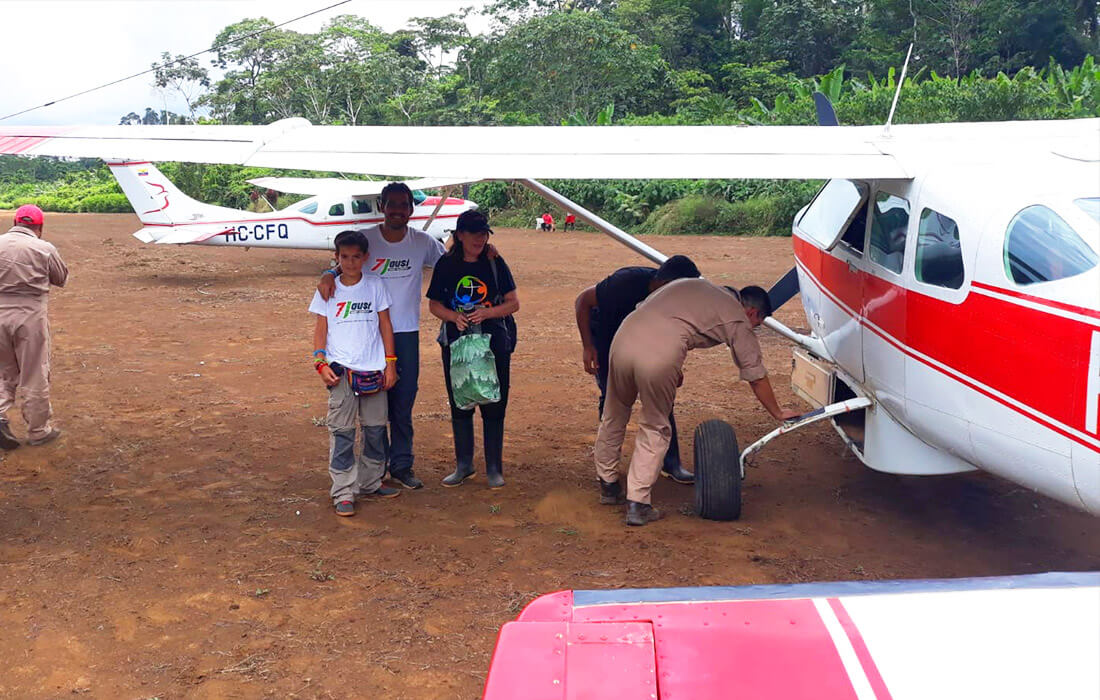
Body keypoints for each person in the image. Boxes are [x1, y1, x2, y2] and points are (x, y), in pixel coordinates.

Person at [594, 280, 801, 526]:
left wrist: (671, 366)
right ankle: (638, 504)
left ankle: (608, 486)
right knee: (655, 425)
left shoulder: (697, 287)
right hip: (660, 353)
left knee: (614, 413)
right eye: (757, 323)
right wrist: (777, 411)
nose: (754, 327)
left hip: (623, 339)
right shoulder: (736, 316)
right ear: (752, 312)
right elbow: (755, 374)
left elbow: (664, 321)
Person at [318, 182, 445, 490]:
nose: (398, 210)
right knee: (374, 402)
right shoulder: (369, 240)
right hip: (367, 334)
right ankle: (375, 469)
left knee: (403, 401)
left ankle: (401, 464)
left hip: (405, 332)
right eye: (392, 204)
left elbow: (450, 263)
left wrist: (487, 252)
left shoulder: (423, 242)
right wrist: (329, 274)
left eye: (404, 205)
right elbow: (347, 262)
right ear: (383, 207)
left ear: (411, 209)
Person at [574, 256, 701, 484]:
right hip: (607, 337)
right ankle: (607, 470)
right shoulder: (625, 282)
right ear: (667, 283)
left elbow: (673, 335)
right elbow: (583, 301)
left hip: (647, 342)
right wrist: (588, 347)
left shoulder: (673, 300)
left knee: (662, 400)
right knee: (612, 398)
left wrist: (673, 367)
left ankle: (671, 464)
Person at [310, 230, 400, 516]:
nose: (350, 262)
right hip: (341, 373)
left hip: (373, 371)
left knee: (375, 431)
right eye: (344, 257)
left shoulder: (375, 286)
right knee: (343, 434)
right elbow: (321, 329)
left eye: (356, 257)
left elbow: (385, 324)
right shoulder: (328, 289)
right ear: (336, 258)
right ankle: (344, 491)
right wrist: (319, 362)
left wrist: (391, 363)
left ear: (365, 258)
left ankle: (371, 481)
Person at [427, 210, 519, 489]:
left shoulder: (494, 262)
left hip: (493, 345)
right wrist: (453, 317)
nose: (480, 238)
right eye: (474, 233)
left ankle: (494, 468)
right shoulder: (445, 265)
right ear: (460, 235)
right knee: (461, 401)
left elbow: (513, 303)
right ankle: (464, 465)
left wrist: (487, 314)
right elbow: (434, 305)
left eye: (484, 233)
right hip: (457, 345)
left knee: (494, 402)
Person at [0, 205, 68, 448]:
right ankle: (38, 431)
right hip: (30, 316)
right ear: (39, 227)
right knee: (34, 372)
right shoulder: (44, 248)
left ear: (15, 221)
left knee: (3, 370)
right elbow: (61, 278)